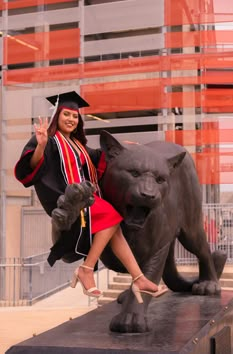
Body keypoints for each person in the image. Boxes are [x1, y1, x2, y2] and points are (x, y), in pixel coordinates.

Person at [14, 90, 160, 302]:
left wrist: (125, 147)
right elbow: (33, 167)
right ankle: (87, 269)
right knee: (112, 218)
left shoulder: (78, 145)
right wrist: (42, 144)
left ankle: (138, 278)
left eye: (75, 116)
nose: (71, 119)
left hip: (88, 197)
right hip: (68, 199)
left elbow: (100, 158)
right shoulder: (51, 140)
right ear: (57, 116)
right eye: (66, 115)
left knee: (114, 227)